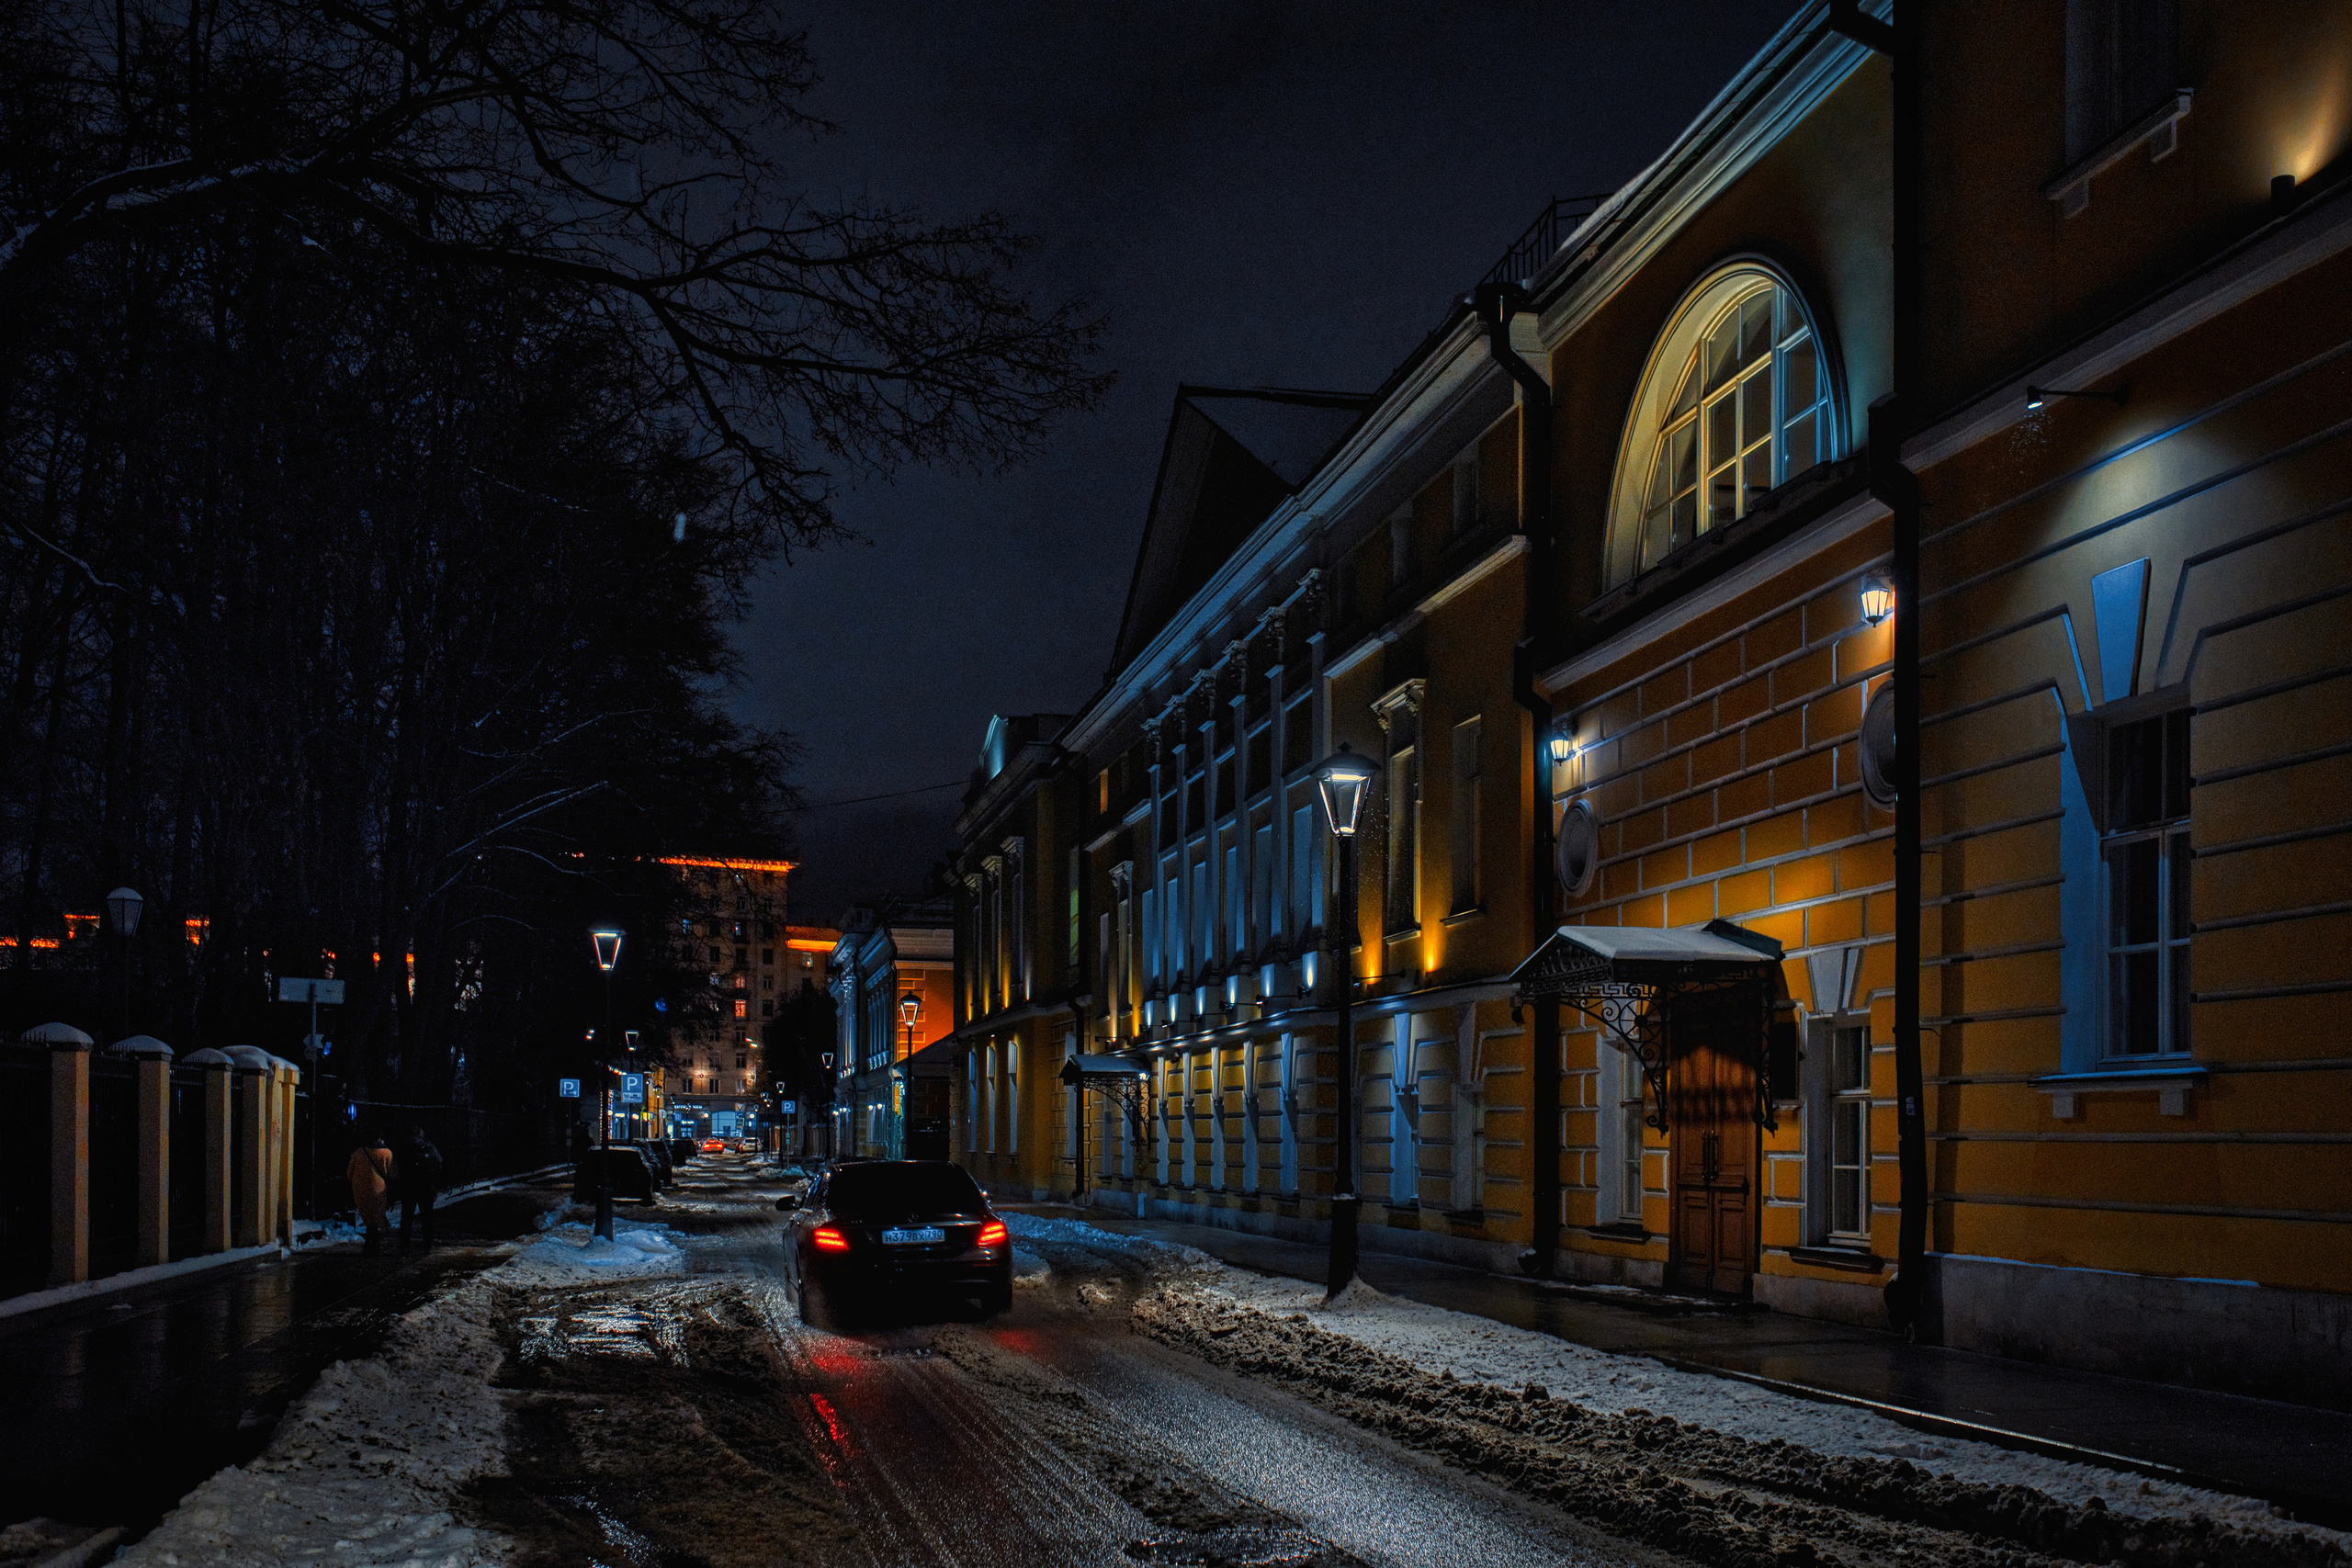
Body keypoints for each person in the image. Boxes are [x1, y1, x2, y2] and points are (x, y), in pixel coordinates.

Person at [398, 1123, 445, 1255]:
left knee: (406, 1216)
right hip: (425, 1186)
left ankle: (404, 1245)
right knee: (427, 1217)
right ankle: (427, 1246)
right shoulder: (428, 1146)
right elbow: (439, 1162)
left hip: (408, 1186)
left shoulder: (403, 1147)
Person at [346, 1134, 394, 1256]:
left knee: (367, 1214)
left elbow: (349, 1171)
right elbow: (393, 1172)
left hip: (361, 1187)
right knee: (376, 1214)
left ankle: (369, 1242)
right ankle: (375, 1242)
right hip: (379, 1188)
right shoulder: (387, 1153)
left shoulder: (360, 1152)